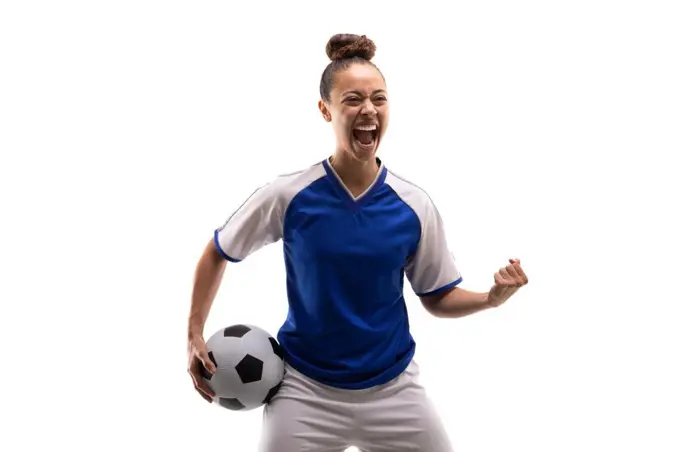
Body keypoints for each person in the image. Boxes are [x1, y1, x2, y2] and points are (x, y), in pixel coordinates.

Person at [187, 33, 529, 452]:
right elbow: (218, 252)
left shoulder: (414, 206)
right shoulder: (289, 195)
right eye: (352, 99)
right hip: (304, 392)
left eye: (379, 99)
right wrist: (193, 333)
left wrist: (490, 299)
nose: (368, 109)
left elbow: (437, 297)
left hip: (393, 391)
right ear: (325, 109)